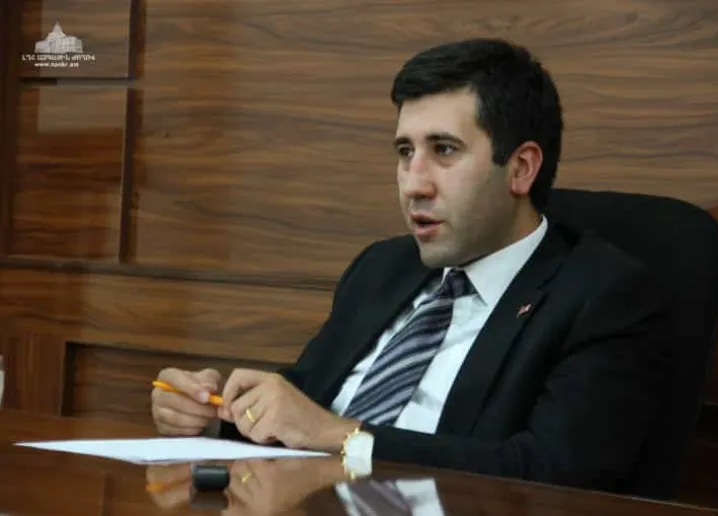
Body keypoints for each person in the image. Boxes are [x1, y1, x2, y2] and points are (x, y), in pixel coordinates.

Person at [151, 38, 671, 492]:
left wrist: (343, 435)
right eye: (405, 151)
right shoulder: (382, 267)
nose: (413, 184)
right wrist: (215, 413)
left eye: (444, 150)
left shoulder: (602, 295)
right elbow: (306, 404)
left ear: (520, 168)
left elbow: (552, 473)